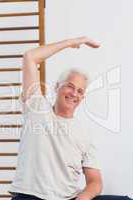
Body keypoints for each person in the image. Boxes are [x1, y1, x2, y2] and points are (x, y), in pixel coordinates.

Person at [9, 37, 131, 200]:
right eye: (70, 86)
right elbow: (30, 57)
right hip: (31, 196)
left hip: (68, 198)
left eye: (80, 91)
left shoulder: (84, 133)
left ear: (82, 97)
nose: (74, 93)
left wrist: (82, 198)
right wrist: (70, 43)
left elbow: (95, 182)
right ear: (57, 87)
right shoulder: (37, 108)